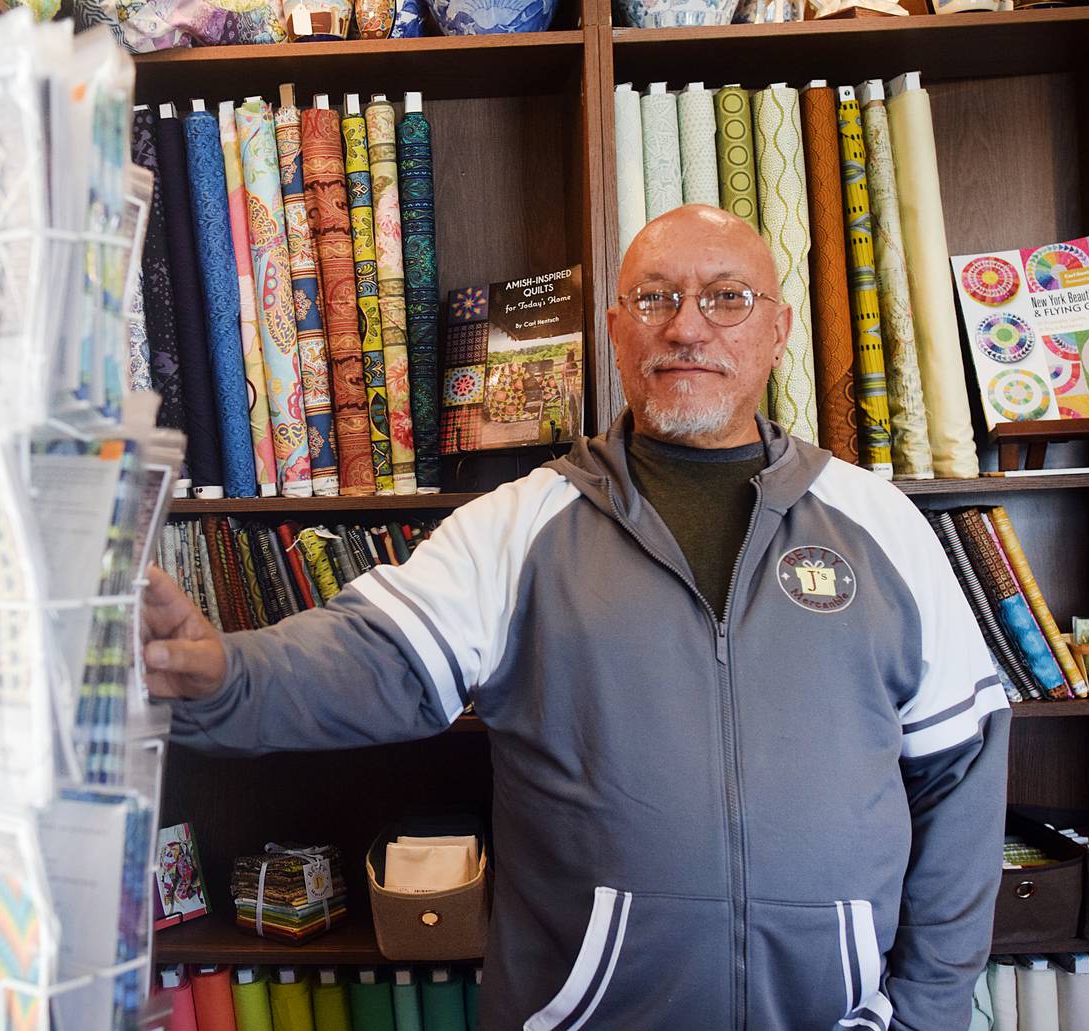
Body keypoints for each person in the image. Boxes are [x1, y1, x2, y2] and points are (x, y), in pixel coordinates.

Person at [143, 205, 1008, 1030]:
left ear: (779, 331)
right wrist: (225, 672)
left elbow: (961, 780)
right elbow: (375, 655)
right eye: (655, 297)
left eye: (726, 297)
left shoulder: (879, 523)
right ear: (616, 328)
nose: (687, 326)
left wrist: (928, 1009)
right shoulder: (523, 523)